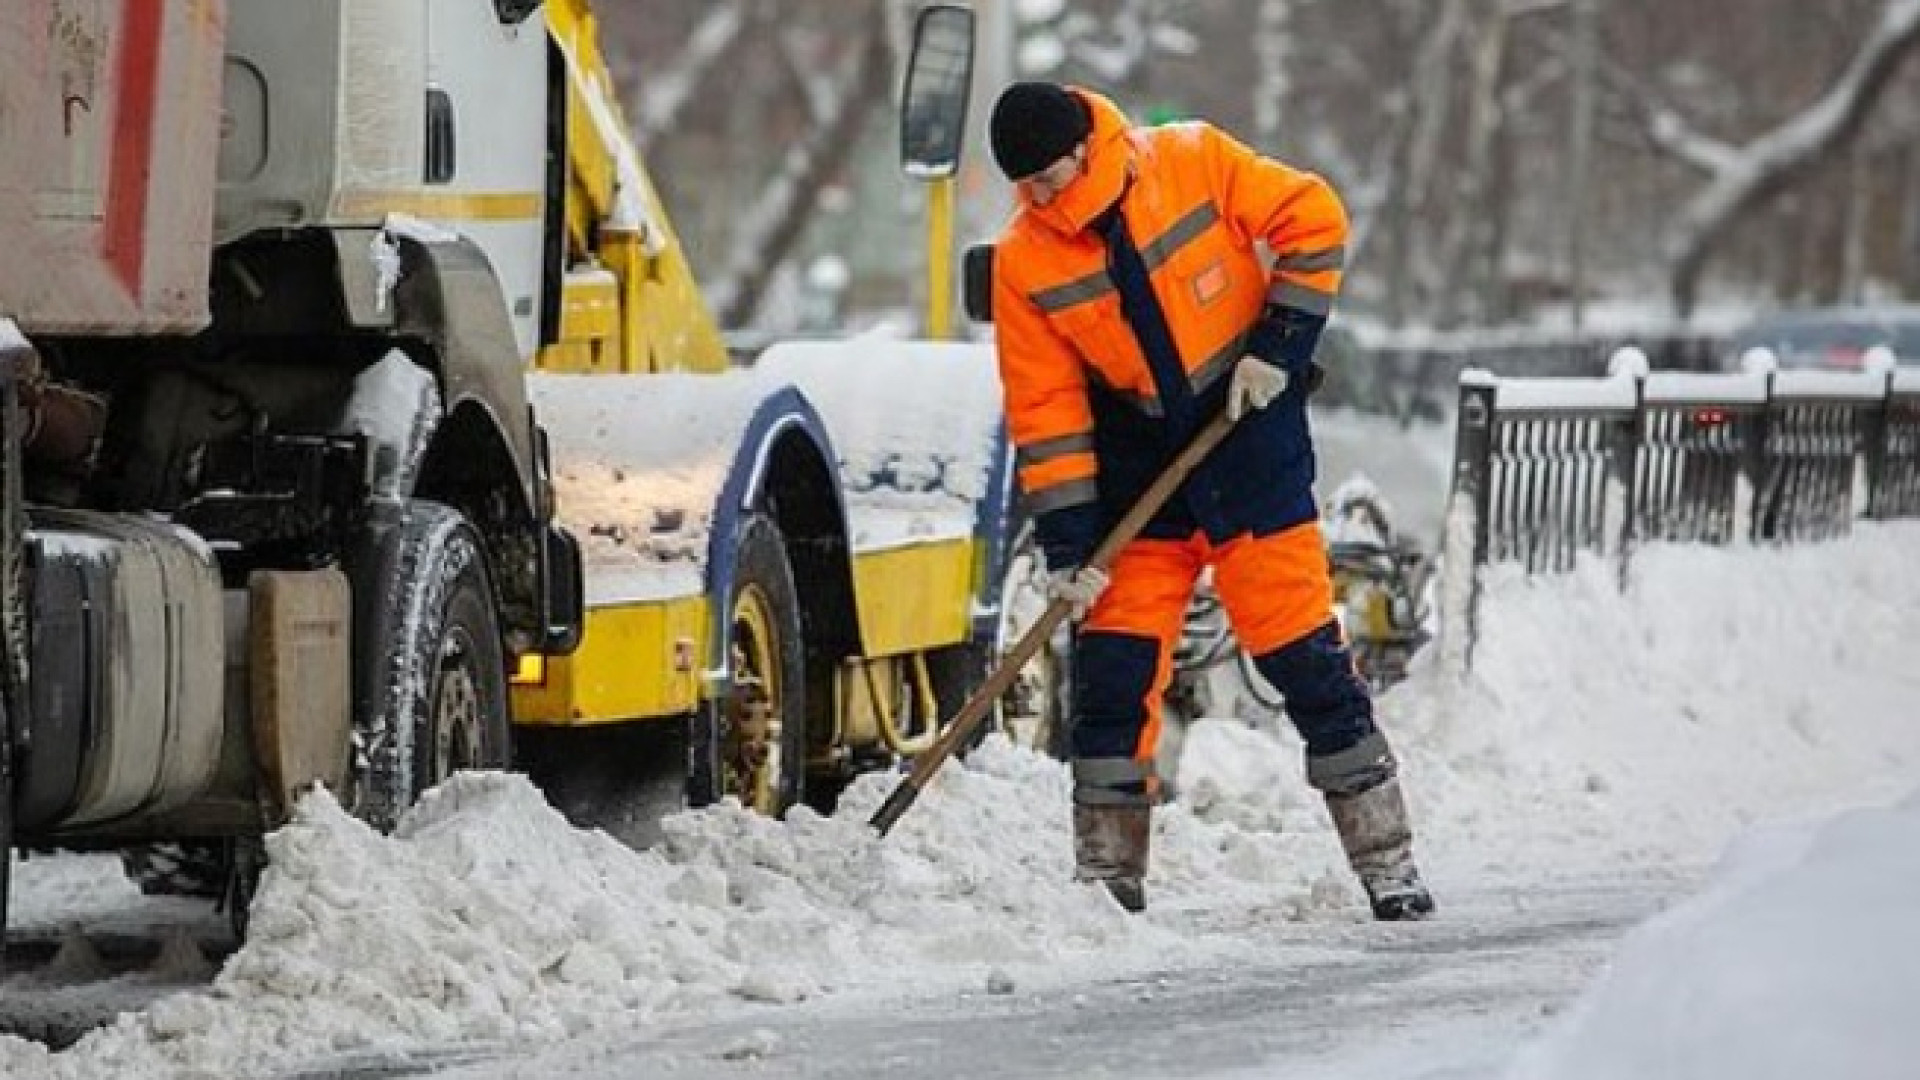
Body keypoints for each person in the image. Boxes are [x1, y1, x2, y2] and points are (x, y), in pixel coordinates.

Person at [985, 81, 1434, 920]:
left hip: (1246, 444)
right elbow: (1046, 413)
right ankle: (1107, 882)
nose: (1043, 198)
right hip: (1138, 482)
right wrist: (1070, 549)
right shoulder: (1025, 260)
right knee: (1111, 677)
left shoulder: (1191, 158)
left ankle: (1388, 859)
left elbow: (1316, 219)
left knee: (1303, 658)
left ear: (1085, 144)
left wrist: (1279, 346)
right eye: (1028, 187)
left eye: (1050, 177)